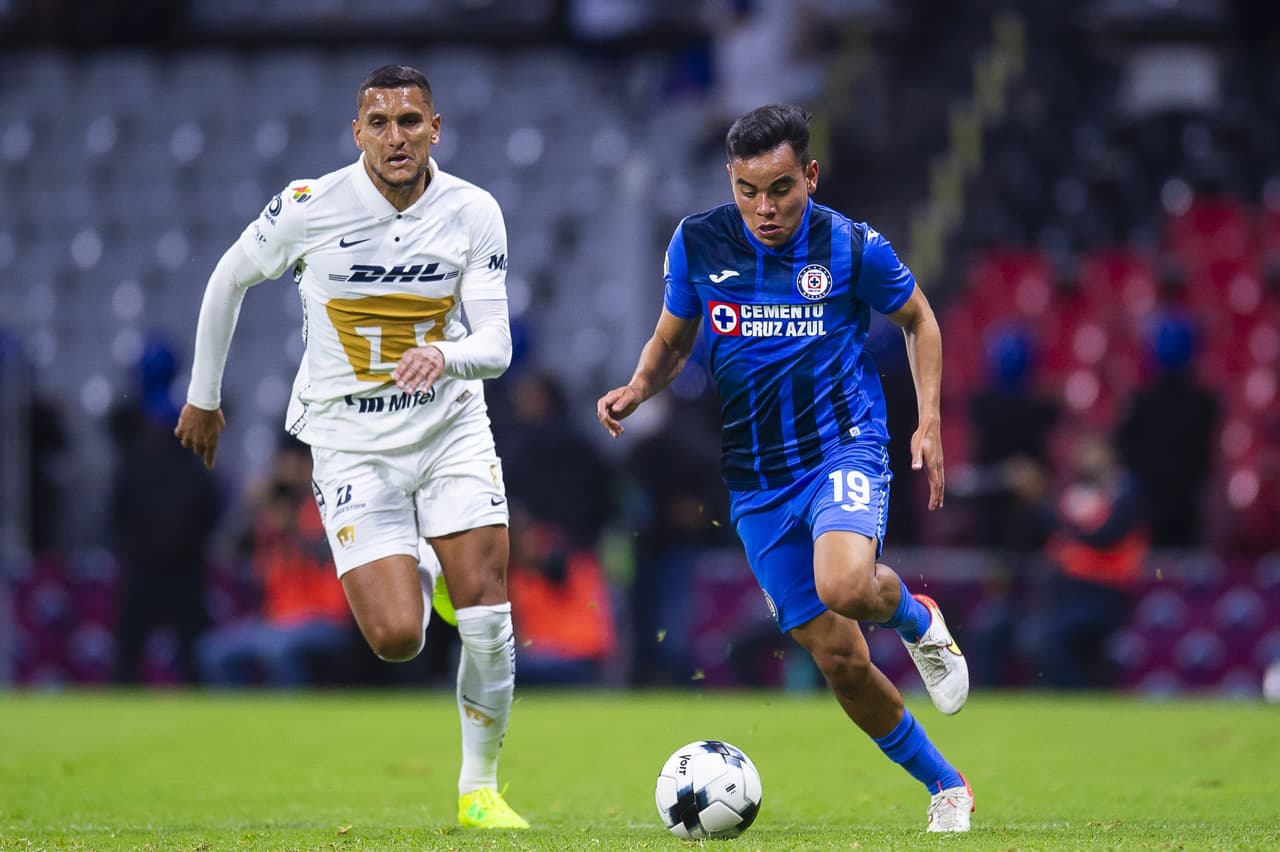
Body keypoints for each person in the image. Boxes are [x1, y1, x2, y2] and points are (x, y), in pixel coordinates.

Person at [597, 105, 974, 832]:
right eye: (748, 191)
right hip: (757, 482)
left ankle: (916, 617)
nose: (764, 208)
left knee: (845, 584)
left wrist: (927, 419)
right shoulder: (697, 242)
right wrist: (638, 388)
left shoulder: (851, 245)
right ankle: (946, 785)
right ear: (730, 181)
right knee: (840, 659)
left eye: (780, 189)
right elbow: (672, 341)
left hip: (843, 447)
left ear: (810, 175)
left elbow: (919, 318)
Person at [174, 65, 527, 830]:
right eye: (380, 123)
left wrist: (445, 354)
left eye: (411, 121)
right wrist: (204, 395)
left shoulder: (473, 210)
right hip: (350, 443)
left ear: (436, 129)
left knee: (488, 616)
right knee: (398, 639)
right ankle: (426, 561)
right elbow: (229, 279)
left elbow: (496, 344)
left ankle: (480, 788)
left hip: (449, 429)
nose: (396, 137)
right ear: (357, 132)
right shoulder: (311, 206)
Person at [110, 335, 221, 685]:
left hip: (178, 566)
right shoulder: (131, 431)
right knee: (131, 657)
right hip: (153, 565)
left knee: (191, 657)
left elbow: (209, 504)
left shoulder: (182, 430)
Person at [198, 438, 353, 688]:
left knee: (279, 648)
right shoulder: (271, 511)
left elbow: (330, 554)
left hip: (325, 617)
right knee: (212, 652)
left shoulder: (327, 507)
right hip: (277, 620)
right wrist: (249, 507)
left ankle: (295, 712)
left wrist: (292, 529)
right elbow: (222, 551)